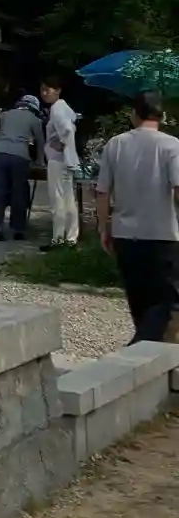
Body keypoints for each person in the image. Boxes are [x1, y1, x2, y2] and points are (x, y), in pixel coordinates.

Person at [95, 90, 179, 343]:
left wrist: (103, 227)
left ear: (134, 114)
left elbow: (102, 192)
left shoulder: (115, 144)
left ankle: (144, 350)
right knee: (167, 303)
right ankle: (139, 350)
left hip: (125, 234)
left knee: (139, 304)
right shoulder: (171, 145)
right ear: (162, 115)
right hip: (163, 233)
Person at [0, 92, 44, 241]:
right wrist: (40, 161)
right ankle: (18, 229)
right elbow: (40, 142)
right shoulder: (35, 120)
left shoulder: (5, 115)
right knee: (19, 192)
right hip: (20, 156)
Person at [39, 76, 82, 249]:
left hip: (57, 160)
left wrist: (62, 142)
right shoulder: (64, 107)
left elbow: (68, 129)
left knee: (57, 199)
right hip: (66, 160)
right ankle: (71, 238)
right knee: (68, 199)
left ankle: (58, 239)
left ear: (57, 90)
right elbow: (73, 124)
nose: (44, 93)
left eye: (47, 89)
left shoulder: (56, 108)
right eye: (42, 90)